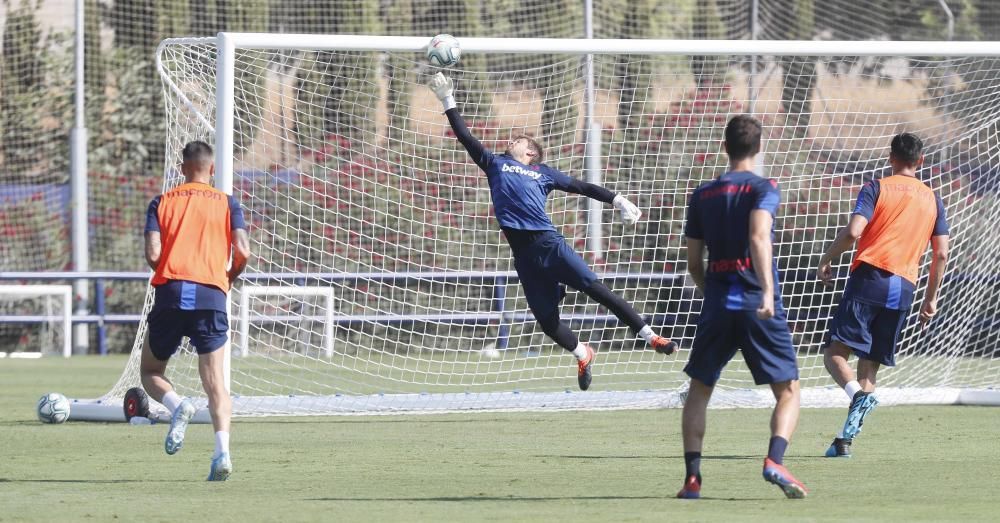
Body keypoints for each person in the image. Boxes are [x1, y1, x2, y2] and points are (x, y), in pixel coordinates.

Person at [427, 72, 677, 391]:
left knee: (596, 288)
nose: (513, 140)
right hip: (525, 257)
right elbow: (465, 136)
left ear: (531, 153)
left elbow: (582, 186)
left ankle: (650, 337)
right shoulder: (494, 163)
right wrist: (448, 100)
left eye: (520, 141)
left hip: (550, 245)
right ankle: (583, 353)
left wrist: (617, 199)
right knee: (548, 323)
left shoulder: (542, 173)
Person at [678, 115, 807, 499]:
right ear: (759, 147)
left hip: (718, 302)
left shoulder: (702, 194)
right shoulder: (764, 188)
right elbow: (758, 235)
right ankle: (774, 461)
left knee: (699, 389)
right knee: (788, 390)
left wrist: (712, 293)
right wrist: (767, 291)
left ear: (724, 147)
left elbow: (693, 264)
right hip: (756, 301)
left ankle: (692, 480)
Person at [818, 132, 949, 458]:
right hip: (904, 289)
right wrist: (930, 298)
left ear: (890, 157)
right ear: (920, 161)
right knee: (869, 368)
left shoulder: (877, 187)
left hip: (870, 278)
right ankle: (844, 442)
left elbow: (853, 232)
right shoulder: (933, 199)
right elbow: (941, 254)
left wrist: (827, 258)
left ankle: (856, 396)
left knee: (834, 355)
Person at [141, 140, 251, 481]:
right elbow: (243, 251)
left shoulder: (162, 202)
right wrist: (227, 278)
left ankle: (177, 406)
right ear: (212, 169)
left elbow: (153, 256)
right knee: (216, 383)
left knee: (150, 371)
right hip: (210, 295)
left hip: (172, 291)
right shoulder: (228, 203)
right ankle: (222, 454)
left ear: (181, 167)